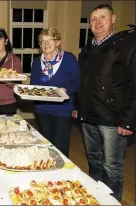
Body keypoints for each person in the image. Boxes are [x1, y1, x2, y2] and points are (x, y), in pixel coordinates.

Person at [73, 4, 136, 202]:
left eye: (102, 17)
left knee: (112, 167)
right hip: (89, 117)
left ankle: (112, 201)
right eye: (93, 19)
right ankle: (95, 198)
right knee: (94, 162)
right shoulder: (87, 49)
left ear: (113, 19)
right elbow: (81, 82)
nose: (97, 22)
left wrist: (128, 120)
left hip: (112, 119)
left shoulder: (126, 45)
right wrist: (77, 106)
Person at [30, 28, 80, 158]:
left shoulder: (69, 59)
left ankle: (63, 175)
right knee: (45, 144)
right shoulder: (36, 62)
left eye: (49, 40)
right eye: (42, 41)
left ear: (58, 42)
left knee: (60, 146)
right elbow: (33, 85)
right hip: (42, 109)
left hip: (62, 109)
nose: (45, 44)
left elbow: (77, 82)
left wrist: (66, 90)